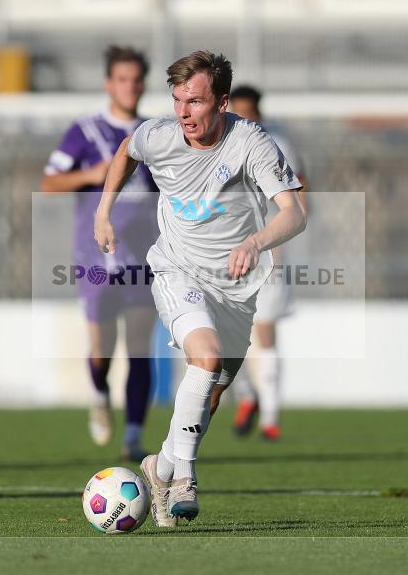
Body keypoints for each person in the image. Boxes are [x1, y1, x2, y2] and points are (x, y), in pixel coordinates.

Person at [94, 51, 306, 526]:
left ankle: (161, 466)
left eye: (195, 101)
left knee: (209, 395)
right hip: (177, 269)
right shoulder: (161, 135)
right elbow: (127, 149)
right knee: (205, 360)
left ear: (223, 102)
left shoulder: (253, 143)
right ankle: (184, 476)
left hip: (235, 289)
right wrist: (102, 211)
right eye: (177, 100)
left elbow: (294, 213)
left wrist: (257, 240)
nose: (184, 112)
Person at [41, 46, 158, 461]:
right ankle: (99, 391)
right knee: (102, 346)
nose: (130, 86)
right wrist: (93, 174)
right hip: (96, 256)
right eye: (122, 79)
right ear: (109, 84)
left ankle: (133, 436)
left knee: (141, 339)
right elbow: (50, 181)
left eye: (137, 79)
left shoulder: (154, 132)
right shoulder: (86, 130)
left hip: (145, 253)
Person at [227, 85, 308, 442]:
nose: (244, 119)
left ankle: (271, 417)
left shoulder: (278, 144)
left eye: (250, 113)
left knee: (266, 331)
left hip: (268, 251)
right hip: (227, 253)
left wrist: (280, 237)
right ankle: (248, 397)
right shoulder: (221, 144)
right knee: (224, 337)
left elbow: (300, 197)